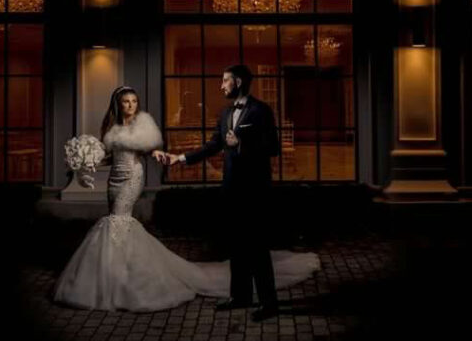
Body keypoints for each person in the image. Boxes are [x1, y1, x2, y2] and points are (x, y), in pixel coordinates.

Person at [53, 84, 318, 316]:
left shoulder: (141, 124)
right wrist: (85, 161)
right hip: (114, 179)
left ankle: (129, 280)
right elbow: (110, 156)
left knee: (119, 221)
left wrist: (161, 154)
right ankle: (116, 275)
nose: (131, 105)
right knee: (114, 222)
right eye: (126, 101)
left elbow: (148, 147)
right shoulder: (111, 127)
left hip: (133, 178)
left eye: (134, 101)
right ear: (117, 104)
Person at [159, 64, 283, 322]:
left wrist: (242, 144)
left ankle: (269, 303)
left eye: (225, 80)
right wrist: (179, 158)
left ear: (237, 81)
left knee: (257, 248)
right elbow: (213, 145)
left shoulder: (261, 110)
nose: (221, 85)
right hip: (232, 191)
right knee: (237, 245)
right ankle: (241, 297)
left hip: (255, 192)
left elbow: (273, 147)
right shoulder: (226, 112)